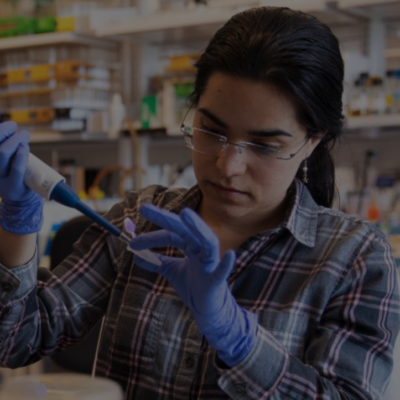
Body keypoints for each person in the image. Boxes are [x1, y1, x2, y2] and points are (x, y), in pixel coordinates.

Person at [0, 6, 399, 400]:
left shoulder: (356, 258)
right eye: (212, 130)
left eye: (263, 145)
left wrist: (236, 337)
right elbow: (15, 341)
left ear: (312, 141)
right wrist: (17, 223)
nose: (228, 166)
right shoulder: (141, 221)